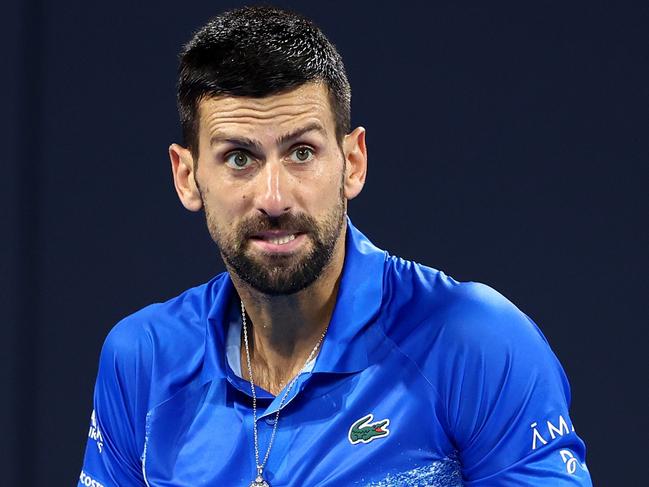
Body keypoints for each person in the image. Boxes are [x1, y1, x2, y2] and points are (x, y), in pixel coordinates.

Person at [78, 6, 592, 487]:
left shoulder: (475, 341)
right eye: (239, 158)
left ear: (354, 162)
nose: (274, 198)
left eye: (302, 152)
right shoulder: (141, 360)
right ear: (187, 177)